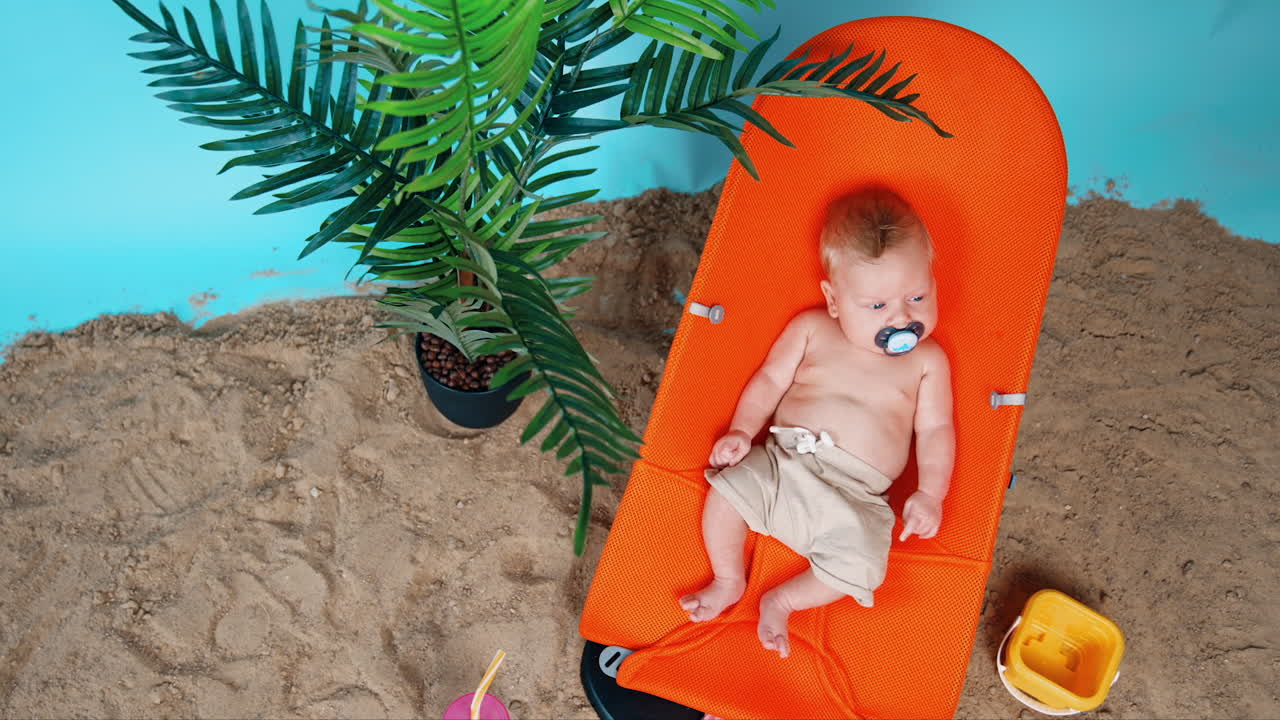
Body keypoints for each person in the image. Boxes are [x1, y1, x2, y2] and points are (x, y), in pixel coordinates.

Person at [679, 186, 956, 663]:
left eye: (917, 296)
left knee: (867, 562)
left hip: (858, 497)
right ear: (833, 300)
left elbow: (935, 431)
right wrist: (744, 432)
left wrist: (931, 493)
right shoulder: (811, 330)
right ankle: (728, 579)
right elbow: (768, 381)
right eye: (876, 307)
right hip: (784, 464)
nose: (903, 319)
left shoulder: (928, 361)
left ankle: (782, 600)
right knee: (725, 493)